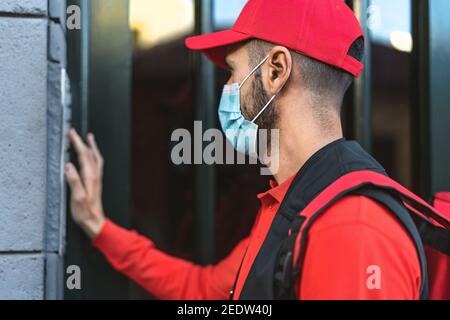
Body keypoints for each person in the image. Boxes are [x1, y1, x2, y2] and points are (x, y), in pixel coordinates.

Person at [65, 0, 421, 300]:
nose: (228, 87)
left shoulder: (351, 228)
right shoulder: (293, 203)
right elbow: (202, 289)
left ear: (276, 71)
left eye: (233, 73)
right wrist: (99, 227)